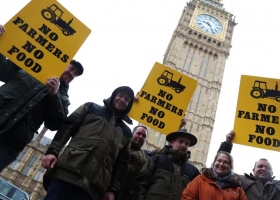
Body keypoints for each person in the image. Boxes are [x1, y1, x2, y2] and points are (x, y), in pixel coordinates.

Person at [0, 25, 84, 171]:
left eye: (75, 75)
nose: (72, 74)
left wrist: (54, 95)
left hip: (10, 144)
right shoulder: (30, 66)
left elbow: (55, 124)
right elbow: (2, 70)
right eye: (71, 69)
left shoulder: (62, 98)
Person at [41, 86, 135, 200]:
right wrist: (53, 151)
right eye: (120, 95)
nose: (122, 100)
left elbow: (122, 164)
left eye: (127, 99)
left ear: (129, 104)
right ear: (114, 95)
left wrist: (112, 190)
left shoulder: (127, 133)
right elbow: (68, 126)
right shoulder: (91, 108)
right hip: (66, 174)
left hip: (92, 188)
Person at [132, 129, 200, 200]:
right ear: (172, 142)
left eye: (187, 144)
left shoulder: (193, 171)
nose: (183, 145)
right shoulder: (156, 160)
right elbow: (140, 185)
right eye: (180, 141)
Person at [218, 131, 280, 200]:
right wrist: (227, 145)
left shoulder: (278, 186)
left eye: (267, 167)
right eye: (260, 166)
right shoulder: (241, 180)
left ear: (272, 173)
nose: (263, 169)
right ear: (253, 170)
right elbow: (221, 170)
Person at [181, 151, 247, 200]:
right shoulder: (200, 179)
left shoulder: (237, 188)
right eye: (219, 160)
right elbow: (187, 197)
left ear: (230, 166)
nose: (221, 164)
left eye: (226, 162)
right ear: (214, 163)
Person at [115, 125, 150, 200]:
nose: (140, 137)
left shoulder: (146, 156)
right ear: (132, 133)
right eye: (138, 133)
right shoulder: (120, 144)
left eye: (144, 136)